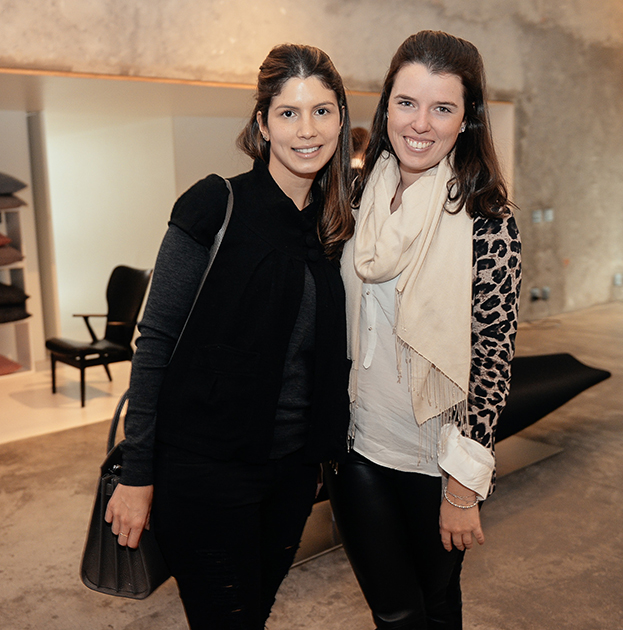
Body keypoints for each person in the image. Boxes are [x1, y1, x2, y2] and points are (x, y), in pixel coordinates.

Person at [105, 43, 354, 629]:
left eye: (321, 111)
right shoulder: (215, 202)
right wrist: (137, 474)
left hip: (293, 472)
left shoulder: (333, 225)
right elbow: (155, 343)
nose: (307, 129)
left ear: (341, 119)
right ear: (263, 124)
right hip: (204, 470)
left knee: (254, 613)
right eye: (288, 113)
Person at [324, 30, 522, 630]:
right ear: (386, 107)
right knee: (394, 611)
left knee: (437, 605)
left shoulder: (488, 220)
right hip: (357, 445)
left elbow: (492, 357)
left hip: (436, 456)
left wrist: (462, 488)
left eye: (442, 108)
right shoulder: (357, 196)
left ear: (466, 119)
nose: (420, 123)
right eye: (407, 102)